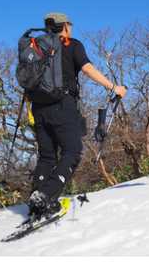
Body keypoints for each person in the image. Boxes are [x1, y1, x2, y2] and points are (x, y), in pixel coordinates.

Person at [24, 13, 127, 218]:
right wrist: (113, 87)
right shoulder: (71, 44)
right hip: (62, 104)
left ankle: (37, 200)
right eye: (69, 25)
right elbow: (87, 69)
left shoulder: (35, 46)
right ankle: (46, 196)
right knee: (72, 151)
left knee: (47, 156)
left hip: (38, 107)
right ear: (65, 26)